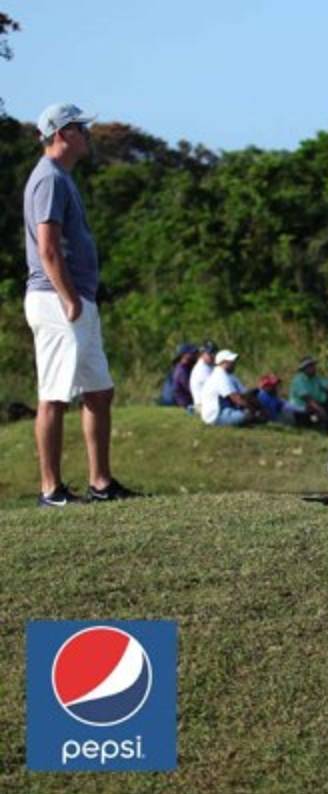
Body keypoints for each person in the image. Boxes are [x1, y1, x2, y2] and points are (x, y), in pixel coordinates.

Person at [22, 102, 140, 506]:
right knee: (54, 395)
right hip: (58, 300)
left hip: (76, 300)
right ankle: (51, 490)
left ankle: (101, 482)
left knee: (99, 391)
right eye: (80, 128)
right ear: (60, 134)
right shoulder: (49, 179)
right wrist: (69, 297)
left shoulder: (63, 178)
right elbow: (47, 247)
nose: (87, 134)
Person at [199, 350, 263, 427]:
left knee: (252, 413)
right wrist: (254, 410)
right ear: (222, 362)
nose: (234, 363)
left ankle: (247, 420)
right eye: (231, 361)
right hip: (216, 415)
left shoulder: (229, 375)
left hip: (226, 410)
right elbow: (236, 398)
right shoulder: (220, 376)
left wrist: (257, 401)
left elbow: (244, 393)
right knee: (249, 415)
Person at [289, 356, 328, 433]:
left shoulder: (315, 378)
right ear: (305, 368)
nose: (314, 368)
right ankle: (315, 428)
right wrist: (321, 410)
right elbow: (308, 399)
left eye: (314, 365)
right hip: (302, 407)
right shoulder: (299, 379)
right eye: (311, 366)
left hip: (314, 405)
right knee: (316, 414)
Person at [188, 340, 218, 407]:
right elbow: (216, 388)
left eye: (214, 352)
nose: (213, 355)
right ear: (202, 353)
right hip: (202, 406)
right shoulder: (201, 369)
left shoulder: (210, 366)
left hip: (210, 403)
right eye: (210, 353)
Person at [168, 343, 198, 409]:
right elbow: (191, 388)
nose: (195, 355)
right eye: (192, 353)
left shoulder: (186, 366)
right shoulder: (182, 370)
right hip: (185, 404)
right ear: (184, 355)